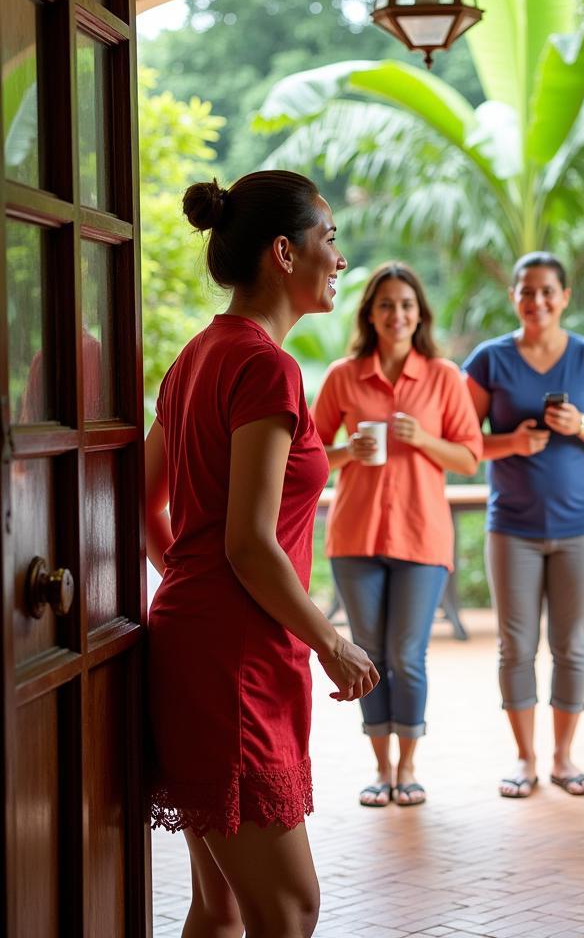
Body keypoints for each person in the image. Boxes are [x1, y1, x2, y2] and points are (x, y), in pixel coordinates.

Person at [145, 170, 379, 938]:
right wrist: (331, 642)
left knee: (219, 911)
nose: (340, 258)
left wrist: (186, 582)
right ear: (285, 251)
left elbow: (149, 503)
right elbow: (248, 542)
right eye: (330, 238)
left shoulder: (197, 356)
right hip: (235, 657)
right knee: (288, 908)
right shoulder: (265, 365)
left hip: (205, 639)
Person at [311, 262, 483, 807]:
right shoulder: (344, 375)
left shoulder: (443, 376)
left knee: (407, 656)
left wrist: (425, 439)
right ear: (370, 313)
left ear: (419, 313)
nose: (397, 314)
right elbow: (307, 455)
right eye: (386, 304)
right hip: (356, 537)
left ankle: (408, 767)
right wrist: (346, 452)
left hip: (421, 538)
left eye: (406, 305)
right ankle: (380, 768)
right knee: (369, 654)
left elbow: (471, 457)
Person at [464, 252, 584, 799]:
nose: (536, 301)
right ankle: (524, 757)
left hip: (581, 527)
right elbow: (462, 446)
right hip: (511, 526)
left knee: (570, 647)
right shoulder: (489, 360)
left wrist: (583, 425)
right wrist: (511, 442)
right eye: (526, 291)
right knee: (515, 647)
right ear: (512, 296)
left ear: (563, 297)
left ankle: (563, 758)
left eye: (546, 292)